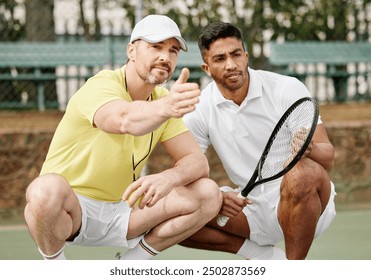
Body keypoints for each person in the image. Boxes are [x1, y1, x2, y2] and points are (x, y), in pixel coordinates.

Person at [23, 14, 222, 260]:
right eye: (155, 47)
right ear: (131, 51)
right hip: (72, 211)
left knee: (208, 193)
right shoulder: (101, 85)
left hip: (124, 211)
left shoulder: (162, 100)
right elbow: (123, 119)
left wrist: (170, 177)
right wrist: (166, 107)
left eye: (172, 51)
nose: (165, 57)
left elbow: (197, 162)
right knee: (43, 190)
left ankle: (132, 263)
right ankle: (56, 266)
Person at [181, 22, 336, 260]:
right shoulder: (199, 108)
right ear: (207, 67)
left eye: (235, 54)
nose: (231, 64)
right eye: (220, 59)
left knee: (302, 174)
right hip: (250, 208)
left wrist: (310, 148)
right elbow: (188, 170)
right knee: (171, 211)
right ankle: (263, 257)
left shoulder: (286, 88)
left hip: (305, 205)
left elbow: (327, 158)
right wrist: (216, 197)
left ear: (245, 55)